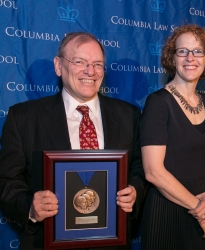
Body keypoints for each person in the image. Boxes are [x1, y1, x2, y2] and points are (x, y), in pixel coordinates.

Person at [0, 32, 147, 250]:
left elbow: (140, 167)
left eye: (98, 64)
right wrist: (30, 207)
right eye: (80, 62)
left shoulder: (130, 115)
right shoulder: (23, 118)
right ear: (59, 66)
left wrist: (135, 190)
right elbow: (7, 181)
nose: (91, 71)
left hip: (111, 242)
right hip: (47, 242)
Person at [140, 24, 205, 249]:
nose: (190, 58)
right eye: (182, 51)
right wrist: (200, 210)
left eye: (198, 51)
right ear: (172, 58)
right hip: (169, 211)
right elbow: (153, 172)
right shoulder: (158, 102)